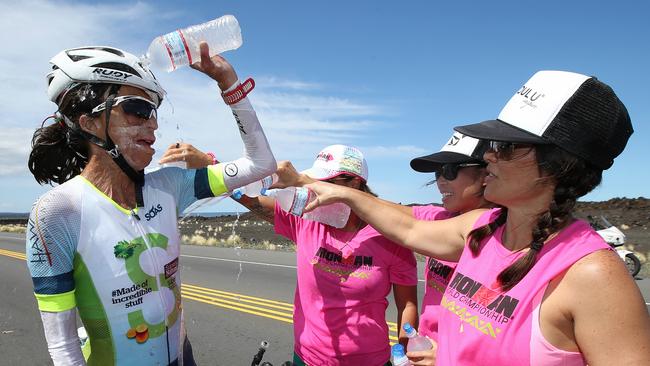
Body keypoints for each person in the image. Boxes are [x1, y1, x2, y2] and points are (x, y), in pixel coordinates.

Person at [299, 71, 650, 365]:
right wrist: (343, 191)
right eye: (489, 148)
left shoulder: (592, 276)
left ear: (559, 164)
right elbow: (407, 226)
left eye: (507, 146)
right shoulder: (481, 229)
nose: (490, 158)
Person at [26, 43, 276, 365]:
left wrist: (228, 82)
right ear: (89, 123)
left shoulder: (169, 185)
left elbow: (261, 164)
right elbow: (62, 346)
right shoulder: (58, 212)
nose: (153, 124)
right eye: (137, 109)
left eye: (153, 111)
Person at [163, 144, 419, 366]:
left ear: (353, 185)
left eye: (324, 183)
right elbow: (250, 198)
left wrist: (407, 353)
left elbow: (407, 304)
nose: (314, 190)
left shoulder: (389, 237)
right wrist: (211, 164)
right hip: (307, 357)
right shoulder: (308, 220)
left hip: (370, 360)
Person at [401, 132, 493, 365]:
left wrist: (448, 358)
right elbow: (388, 214)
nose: (441, 181)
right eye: (438, 172)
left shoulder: (506, 235)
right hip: (425, 349)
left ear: (486, 173)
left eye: (450, 170)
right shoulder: (440, 218)